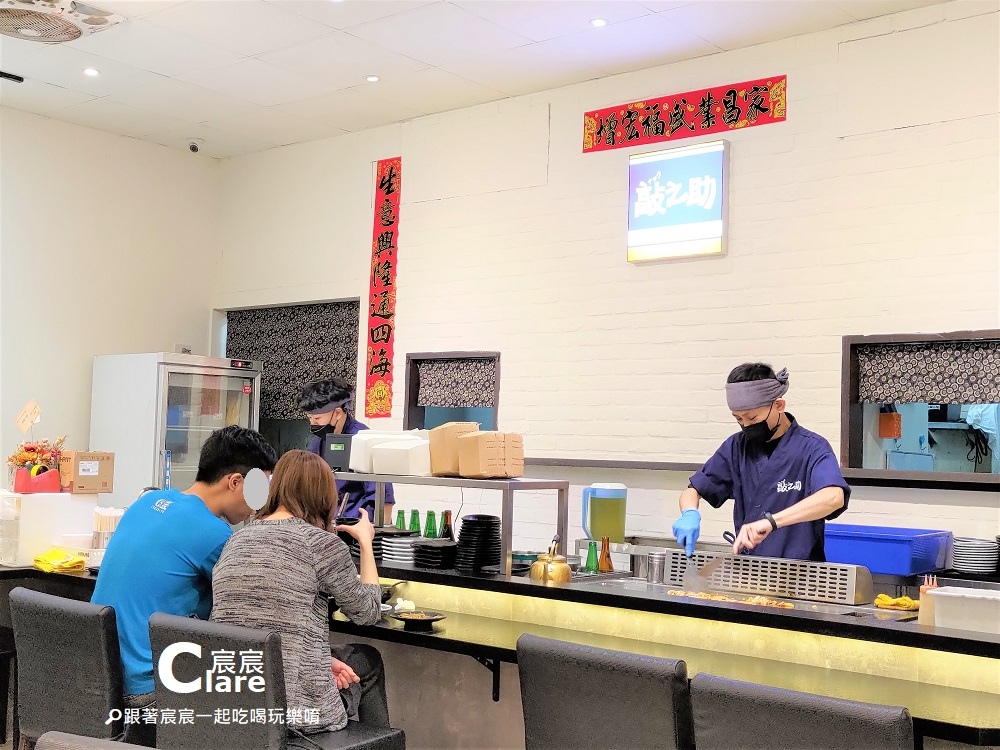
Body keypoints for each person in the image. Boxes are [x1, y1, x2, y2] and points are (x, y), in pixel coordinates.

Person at [91, 425, 278, 746]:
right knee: (264, 694)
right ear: (235, 482)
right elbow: (258, 603)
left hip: (99, 677)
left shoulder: (146, 503)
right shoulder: (214, 535)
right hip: (150, 692)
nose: (258, 505)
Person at [211, 449, 390, 733]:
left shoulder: (237, 540)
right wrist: (366, 543)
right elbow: (367, 612)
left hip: (233, 703)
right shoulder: (320, 543)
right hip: (294, 713)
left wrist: (320, 658)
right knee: (367, 658)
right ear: (323, 496)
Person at [671, 363, 850, 562]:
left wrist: (772, 522)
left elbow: (834, 497)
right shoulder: (736, 447)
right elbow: (694, 489)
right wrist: (689, 513)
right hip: (750, 573)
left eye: (752, 417)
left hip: (801, 578)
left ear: (779, 406)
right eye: (739, 419)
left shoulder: (812, 448)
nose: (746, 426)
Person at [300, 377, 395, 522]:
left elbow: (383, 500)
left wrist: (374, 535)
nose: (313, 424)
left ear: (338, 413)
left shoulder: (364, 441)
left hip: (357, 526)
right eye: (310, 418)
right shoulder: (317, 441)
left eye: (317, 419)